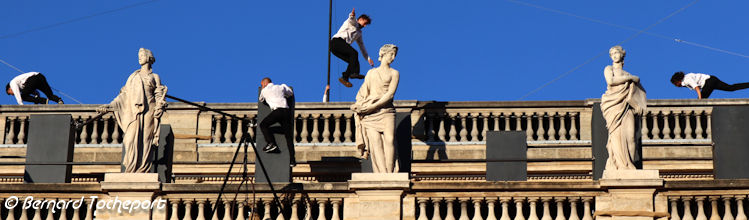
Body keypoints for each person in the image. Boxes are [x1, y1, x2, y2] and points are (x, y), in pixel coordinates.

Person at [97, 48, 168, 173]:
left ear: (149, 57)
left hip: (149, 111)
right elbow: (124, 95)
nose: (139, 57)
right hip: (134, 111)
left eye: (142, 55)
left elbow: (158, 95)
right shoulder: (133, 76)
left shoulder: (155, 77)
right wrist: (109, 106)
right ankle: (131, 168)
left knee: (146, 139)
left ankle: (142, 169)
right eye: (138, 55)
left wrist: (160, 105)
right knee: (129, 140)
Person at [351, 44, 400, 173]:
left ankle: (389, 172)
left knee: (389, 139)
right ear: (383, 54)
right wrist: (360, 105)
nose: (393, 57)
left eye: (394, 55)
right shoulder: (371, 73)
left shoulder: (394, 73)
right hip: (370, 114)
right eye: (391, 54)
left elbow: (390, 95)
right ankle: (382, 173)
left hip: (386, 111)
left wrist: (372, 107)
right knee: (375, 144)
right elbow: (364, 91)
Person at [601, 45, 646, 170]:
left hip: (627, 107)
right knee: (616, 135)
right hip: (613, 105)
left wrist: (637, 106)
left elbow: (633, 95)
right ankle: (620, 164)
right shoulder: (609, 68)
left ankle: (629, 164)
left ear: (622, 55)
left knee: (631, 137)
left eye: (617, 53)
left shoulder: (627, 74)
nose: (615, 55)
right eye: (613, 54)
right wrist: (630, 78)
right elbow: (611, 81)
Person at [330, 8, 374, 88]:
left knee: (353, 61)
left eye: (366, 24)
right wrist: (352, 15)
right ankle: (354, 73)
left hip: (338, 49)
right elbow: (351, 19)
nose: (365, 26)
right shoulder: (352, 23)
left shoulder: (359, 33)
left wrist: (368, 58)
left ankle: (345, 77)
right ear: (360, 19)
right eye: (365, 23)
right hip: (336, 42)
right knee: (354, 53)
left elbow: (362, 46)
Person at [258, 77, 296, 167]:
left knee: (263, 125)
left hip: (277, 112)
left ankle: (271, 143)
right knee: (288, 137)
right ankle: (292, 160)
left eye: (262, 85)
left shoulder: (264, 91)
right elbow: (290, 93)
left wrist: (264, 91)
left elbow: (261, 99)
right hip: (286, 111)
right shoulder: (281, 86)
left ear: (264, 84)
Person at [670, 71, 749, 99]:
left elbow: (697, 87)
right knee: (730, 88)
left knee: (700, 101)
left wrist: (700, 99)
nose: (676, 86)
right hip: (712, 79)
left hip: (708, 82)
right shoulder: (686, 78)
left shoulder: (686, 80)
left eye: (675, 84)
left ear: (678, 81)